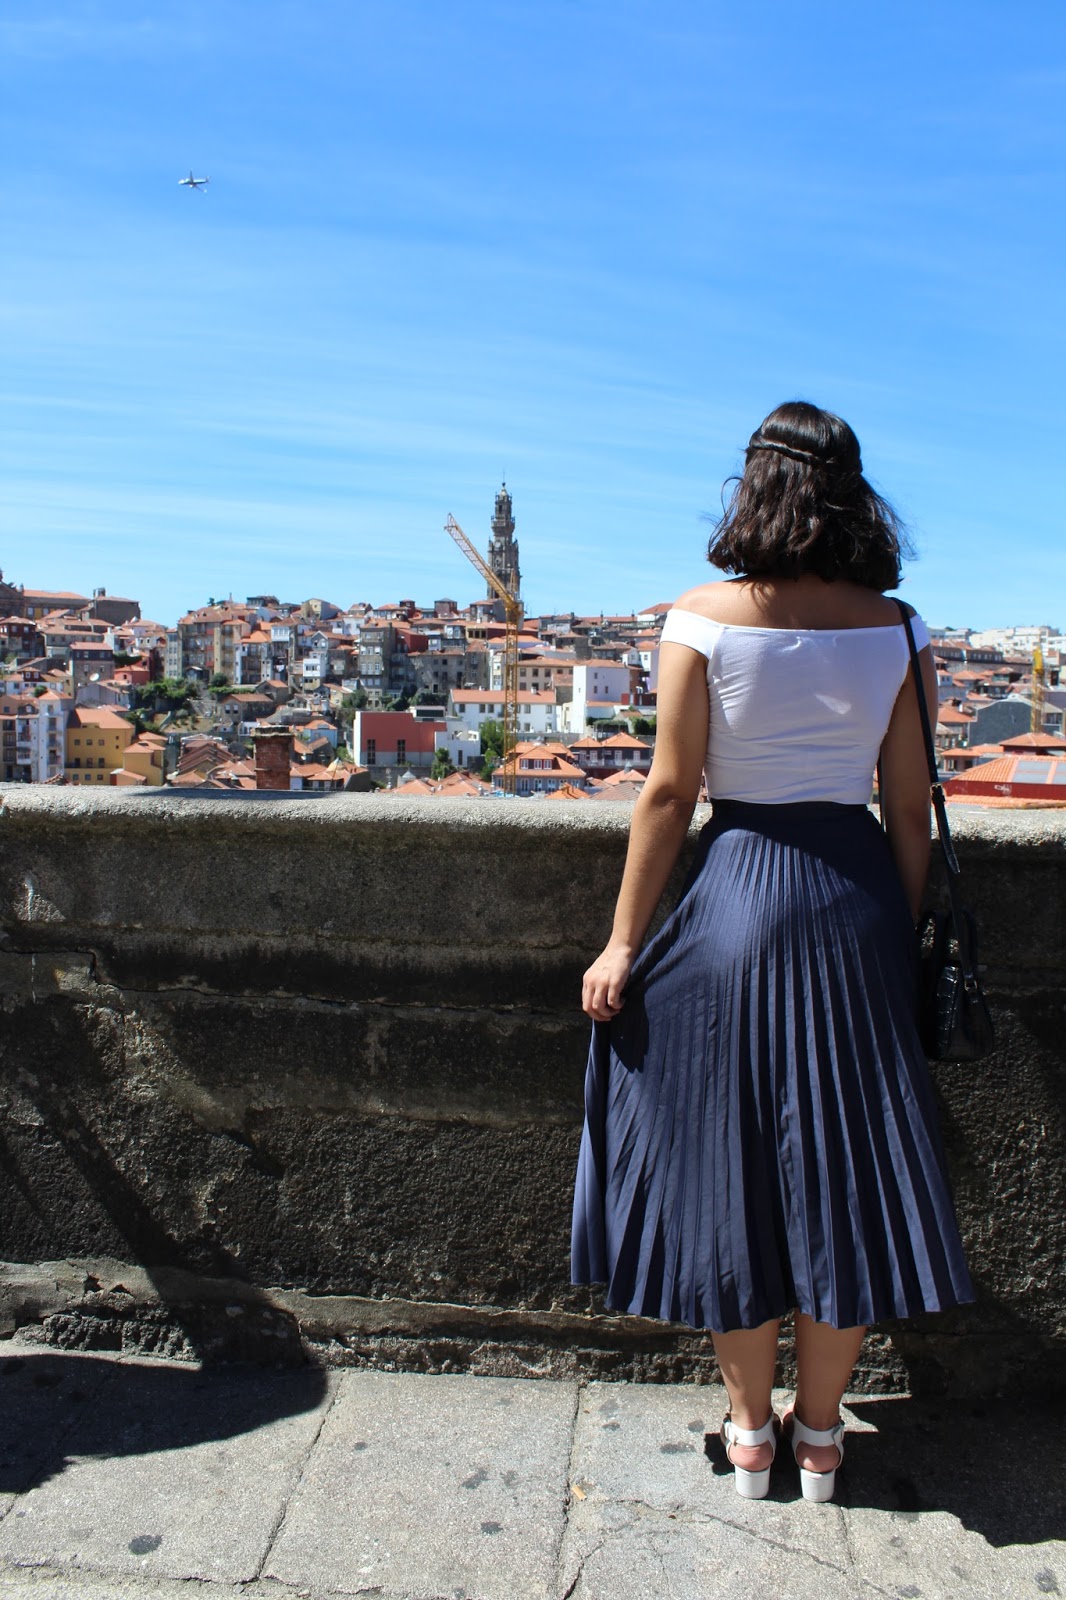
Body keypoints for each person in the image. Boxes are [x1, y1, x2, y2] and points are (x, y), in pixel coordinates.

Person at [570, 399, 977, 1504]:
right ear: (852, 495)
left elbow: (668, 793)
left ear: (753, 488)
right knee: (846, 1180)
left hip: (735, 900)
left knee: (731, 1174)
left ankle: (750, 1436)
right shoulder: (898, 628)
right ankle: (822, 1436)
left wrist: (621, 942)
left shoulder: (700, 619)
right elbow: (906, 808)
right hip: (855, 899)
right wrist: (888, 930)